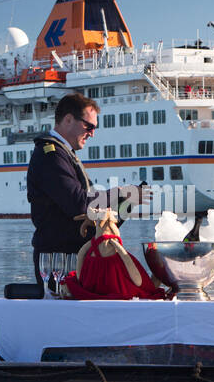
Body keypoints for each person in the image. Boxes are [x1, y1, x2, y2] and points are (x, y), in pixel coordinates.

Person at [27, 93, 146, 292]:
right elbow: (78, 204)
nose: (92, 133)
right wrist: (119, 193)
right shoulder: (51, 155)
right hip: (58, 259)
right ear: (68, 120)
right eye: (89, 126)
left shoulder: (63, 154)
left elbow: (92, 214)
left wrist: (128, 202)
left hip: (75, 255)